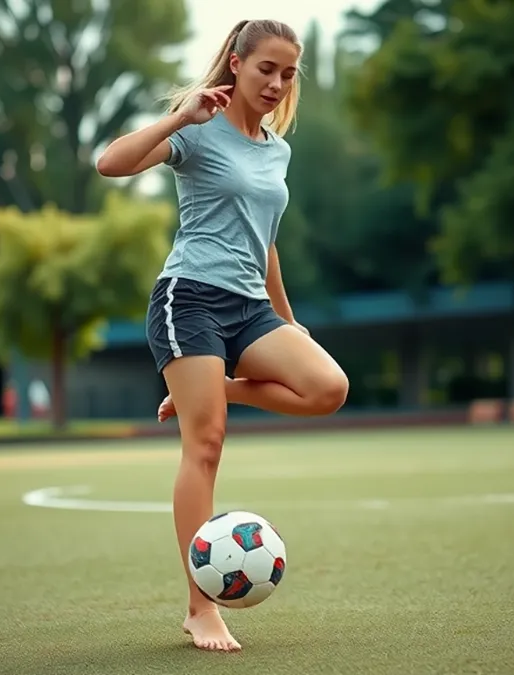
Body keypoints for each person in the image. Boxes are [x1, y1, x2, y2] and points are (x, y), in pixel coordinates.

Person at [95, 19, 348, 652]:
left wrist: (287, 319)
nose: (278, 83)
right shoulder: (198, 129)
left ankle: (218, 390)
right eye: (267, 69)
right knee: (205, 445)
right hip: (191, 301)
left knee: (328, 387)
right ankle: (199, 606)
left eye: (289, 73)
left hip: (250, 307)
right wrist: (180, 117)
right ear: (235, 63)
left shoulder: (275, 149)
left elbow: (264, 243)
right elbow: (109, 163)